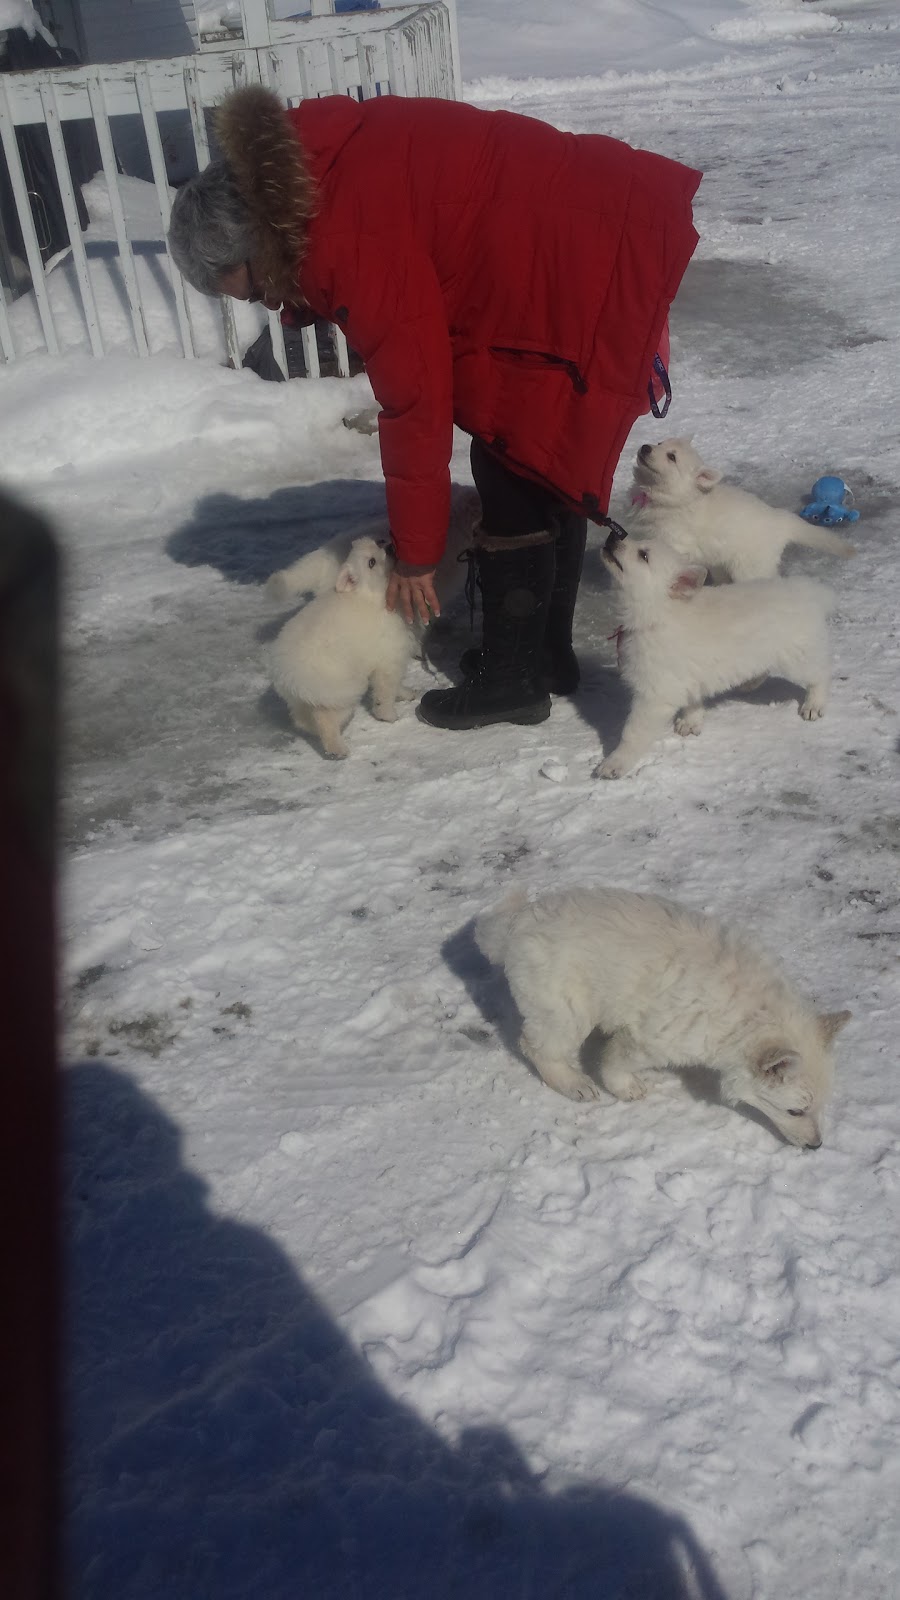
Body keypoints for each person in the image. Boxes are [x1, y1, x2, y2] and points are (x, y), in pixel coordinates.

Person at [167, 87, 701, 731]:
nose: (260, 300)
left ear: (253, 245)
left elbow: (414, 396)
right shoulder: (311, 166)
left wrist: (417, 552)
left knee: (511, 454)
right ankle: (544, 657)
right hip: (580, 229)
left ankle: (513, 681)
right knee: (531, 451)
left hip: (583, 250)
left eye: (249, 287)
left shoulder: (342, 230)